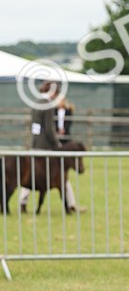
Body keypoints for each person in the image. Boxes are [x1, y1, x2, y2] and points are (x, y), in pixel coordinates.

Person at [18, 82, 82, 213]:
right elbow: (49, 128)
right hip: (45, 146)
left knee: (29, 174)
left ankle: (23, 201)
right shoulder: (47, 106)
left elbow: (35, 125)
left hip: (35, 143)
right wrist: (56, 144)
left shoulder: (36, 102)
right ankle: (71, 204)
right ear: (52, 92)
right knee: (61, 174)